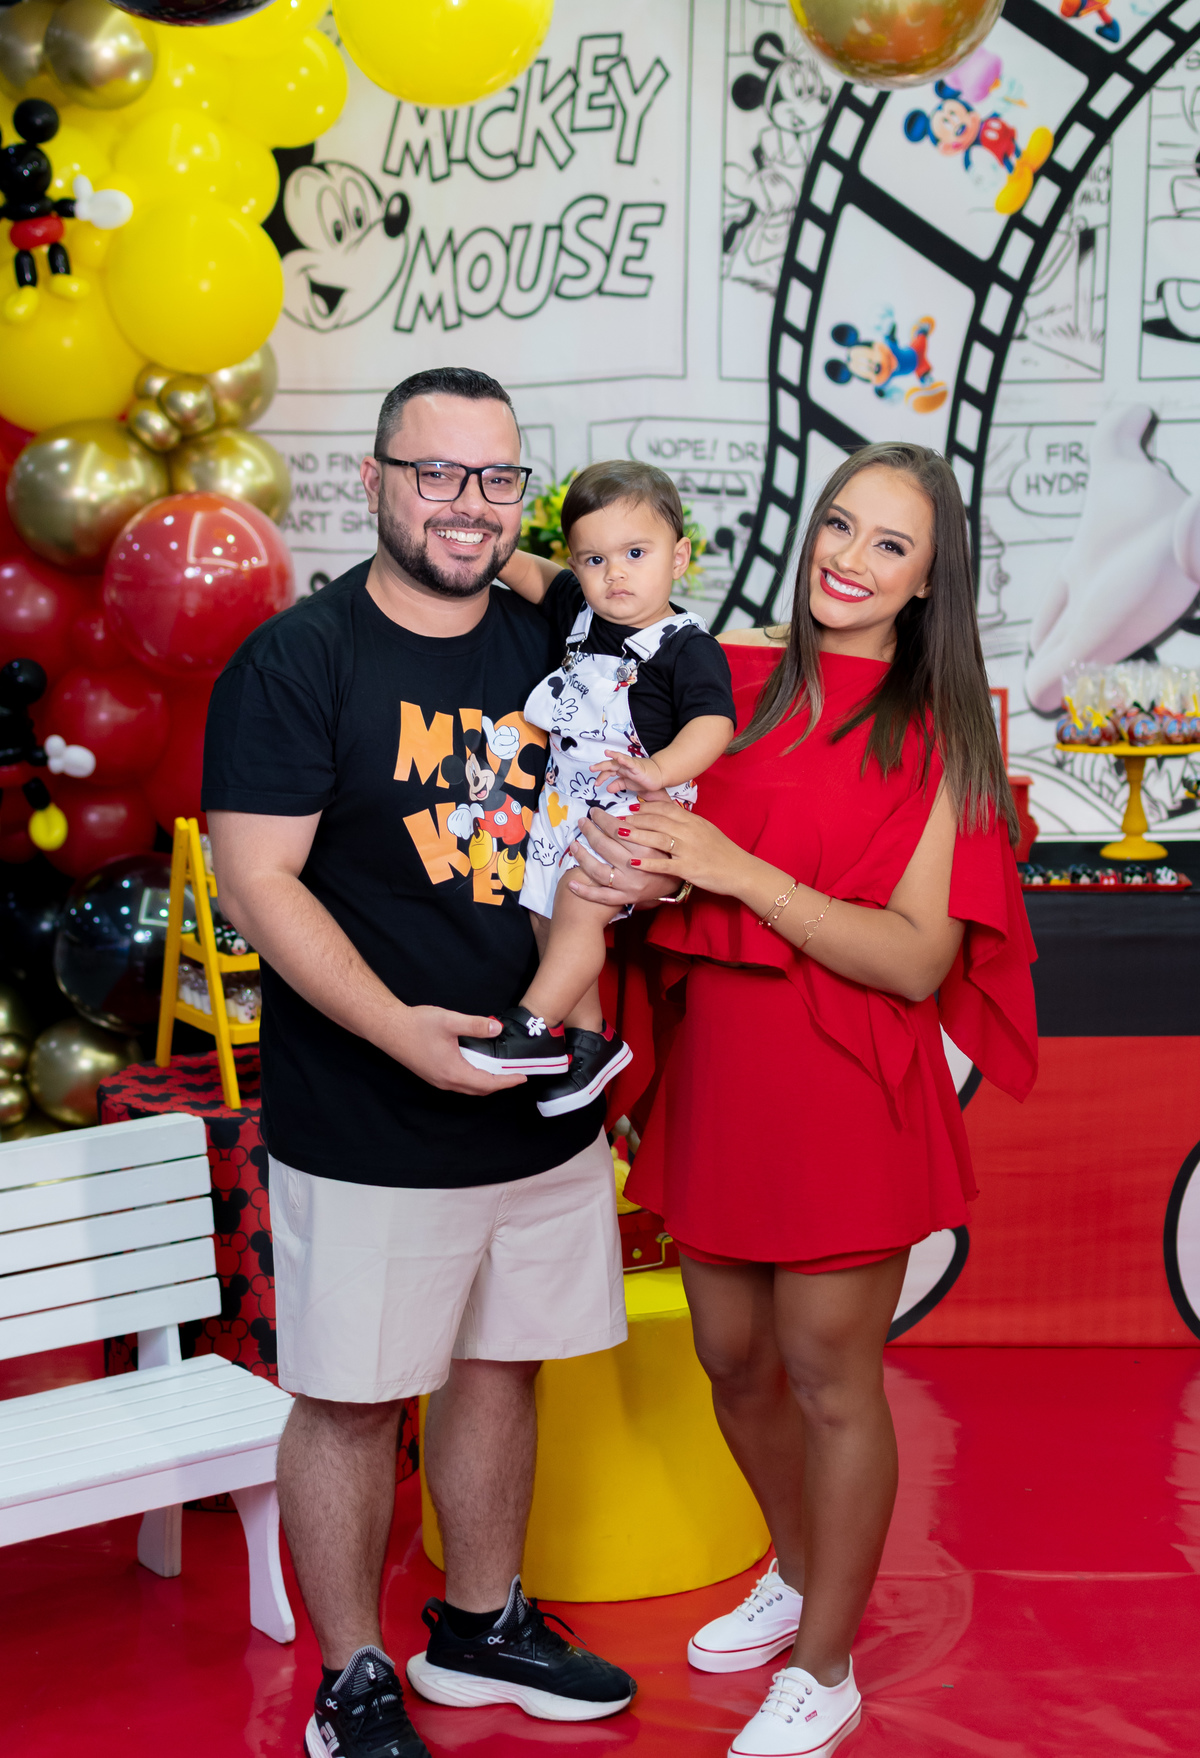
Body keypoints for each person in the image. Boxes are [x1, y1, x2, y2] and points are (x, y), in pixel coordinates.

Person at [201, 367, 668, 1758]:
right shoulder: (299, 661)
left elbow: (632, 772)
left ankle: (477, 1626)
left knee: (503, 1365)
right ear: (374, 480)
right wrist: (397, 1026)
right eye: (435, 473)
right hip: (368, 1105)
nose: (466, 504)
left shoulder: (560, 639)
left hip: (537, 1096)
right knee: (351, 1399)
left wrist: (638, 870)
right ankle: (353, 1676)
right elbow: (258, 881)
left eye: (496, 477)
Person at [571, 443, 1037, 1758]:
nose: (850, 558)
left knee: (833, 1377)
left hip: (845, 1080)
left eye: (891, 544)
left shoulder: (946, 734)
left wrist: (737, 871)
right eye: (841, 524)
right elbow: (646, 807)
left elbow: (917, 958)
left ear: (931, 578)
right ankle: (795, 1565)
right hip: (719, 1068)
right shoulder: (727, 679)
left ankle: (825, 1665)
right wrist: (645, 865)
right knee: (731, 1357)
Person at [459, 460, 736, 1117]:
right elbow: (530, 572)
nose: (615, 574)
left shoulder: (686, 647)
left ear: (678, 557)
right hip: (568, 800)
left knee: (580, 903)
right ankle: (588, 1041)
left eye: (636, 554)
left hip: (638, 806)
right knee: (542, 910)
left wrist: (660, 769)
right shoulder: (579, 614)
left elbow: (713, 724)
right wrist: (485, 542)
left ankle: (531, 1023)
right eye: (594, 560)